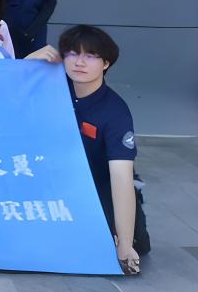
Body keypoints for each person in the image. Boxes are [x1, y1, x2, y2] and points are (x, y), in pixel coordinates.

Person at [30, 26, 149, 274]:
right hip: (52, 181)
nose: (79, 62)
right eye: (73, 54)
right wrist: (28, 61)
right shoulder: (51, 86)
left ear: (106, 64)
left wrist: (125, 244)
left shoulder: (115, 112)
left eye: (91, 56)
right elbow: (3, 94)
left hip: (97, 187)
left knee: (100, 243)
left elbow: (121, 176)